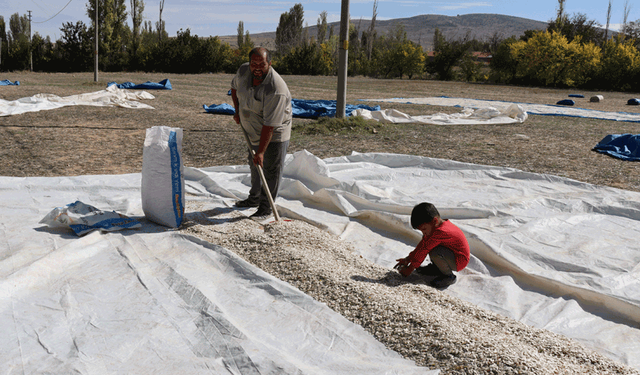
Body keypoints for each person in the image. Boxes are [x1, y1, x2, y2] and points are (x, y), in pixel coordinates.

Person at [230, 47, 292, 219]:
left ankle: (265, 209)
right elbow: (234, 89)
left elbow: (270, 126)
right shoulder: (243, 71)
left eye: (262, 64)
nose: (257, 67)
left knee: (270, 168)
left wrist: (262, 151)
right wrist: (237, 111)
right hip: (253, 127)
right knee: (255, 164)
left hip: (275, 131)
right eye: (253, 64)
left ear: (269, 64)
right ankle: (254, 199)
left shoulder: (275, 89)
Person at [394, 202, 470, 289]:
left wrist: (410, 269)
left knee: (435, 252)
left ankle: (448, 276)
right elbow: (422, 246)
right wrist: (408, 259)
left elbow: (424, 250)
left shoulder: (441, 232)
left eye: (424, 229)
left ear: (434, 221)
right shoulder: (435, 228)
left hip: (459, 260)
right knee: (430, 245)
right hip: (451, 254)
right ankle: (437, 268)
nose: (423, 232)